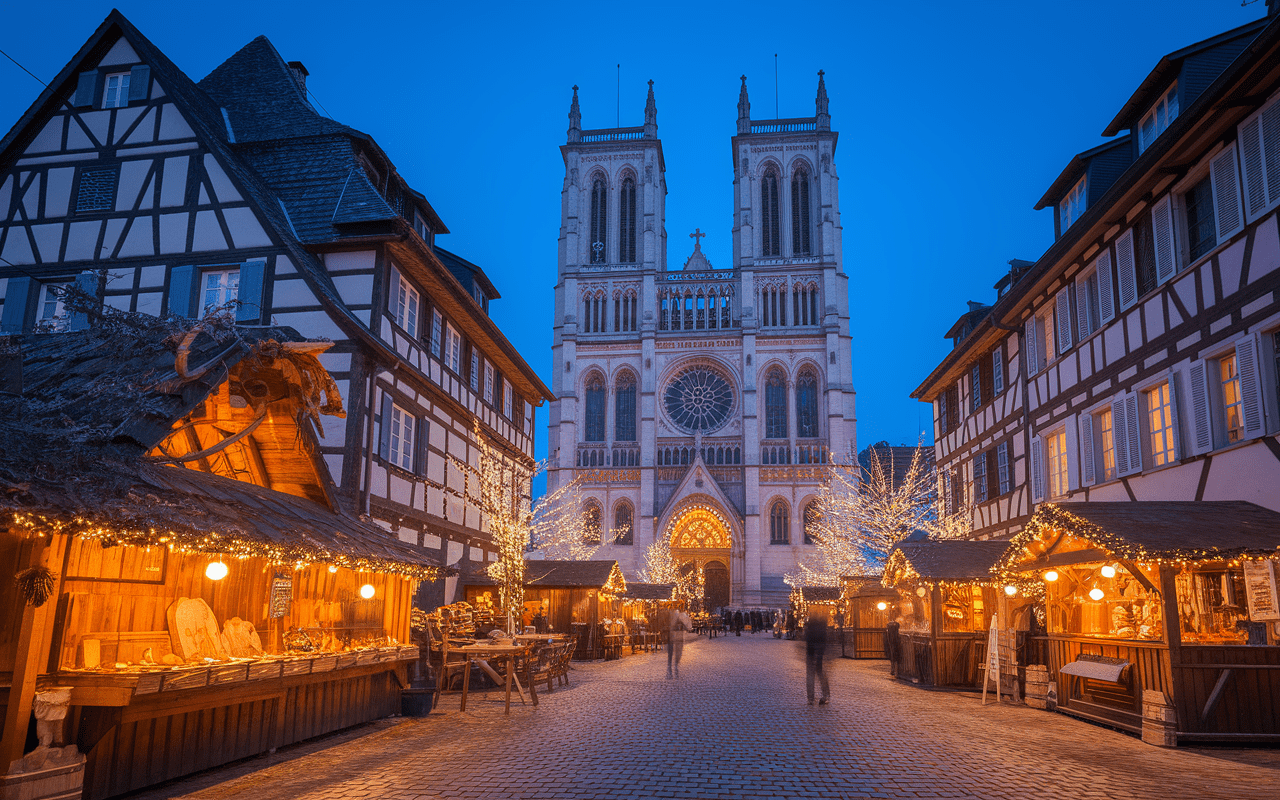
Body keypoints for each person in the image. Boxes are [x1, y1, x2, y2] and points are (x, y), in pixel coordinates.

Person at [805, 607, 831, 705]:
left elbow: (807, 638)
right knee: (821, 674)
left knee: (810, 675)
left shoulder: (810, 626)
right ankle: (825, 695)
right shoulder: (822, 626)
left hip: (811, 652)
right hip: (819, 652)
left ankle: (811, 698)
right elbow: (825, 640)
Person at [668, 607, 691, 679]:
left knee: (674, 652)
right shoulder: (682, 616)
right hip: (678, 637)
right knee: (677, 652)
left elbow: (672, 626)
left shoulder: (677, 616)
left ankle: (673, 664)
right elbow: (688, 627)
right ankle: (675, 664)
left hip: (675, 637)